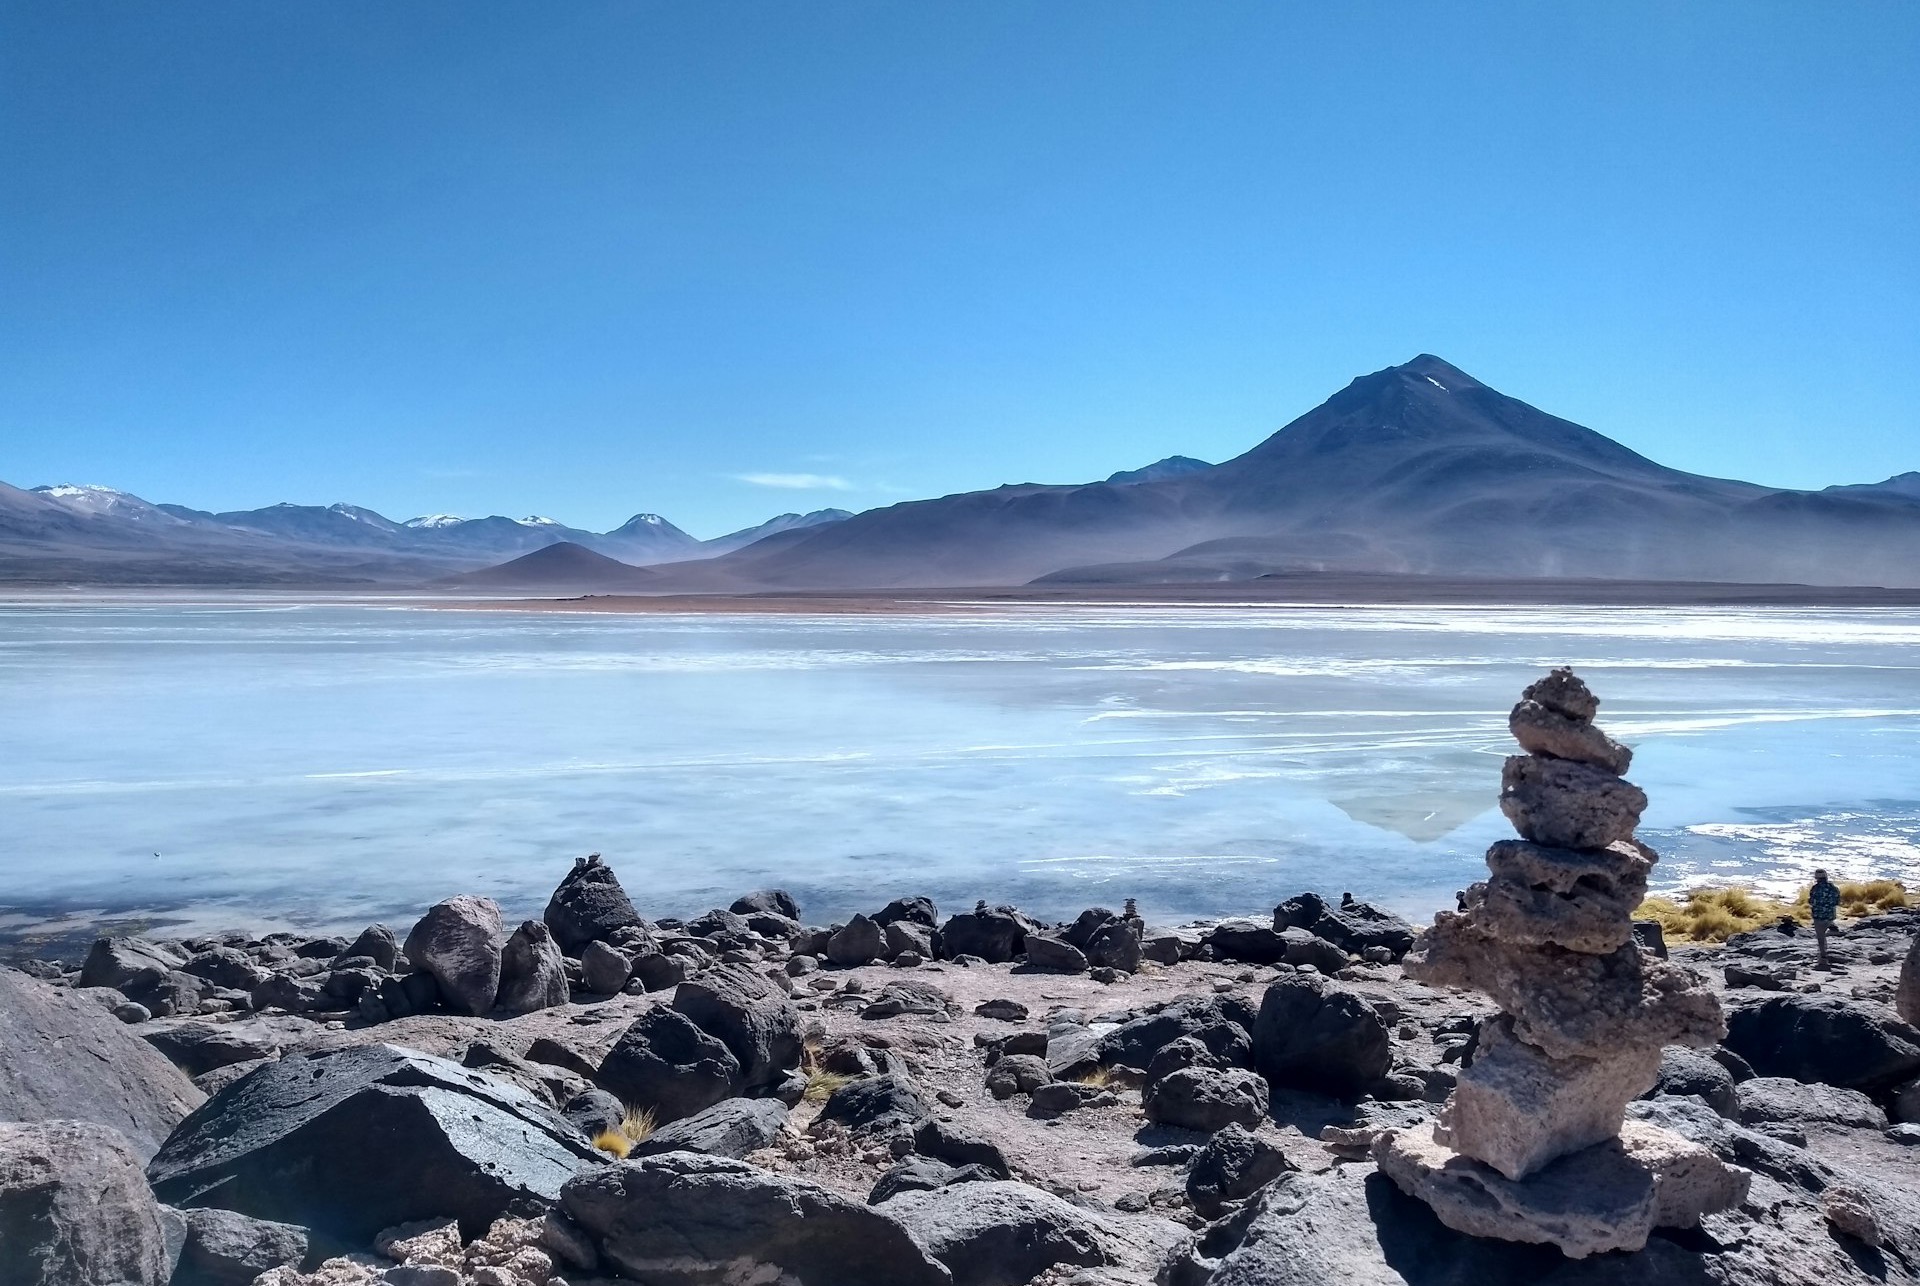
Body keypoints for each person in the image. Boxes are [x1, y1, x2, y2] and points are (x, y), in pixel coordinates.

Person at [1808, 869, 1842, 968]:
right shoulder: (1833, 888)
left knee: (1820, 937)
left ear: (1816, 878)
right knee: (1824, 933)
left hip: (1818, 916)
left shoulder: (1815, 888)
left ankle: (1822, 958)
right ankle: (1832, 928)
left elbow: (1811, 902)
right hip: (1830, 915)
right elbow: (1837, 902)